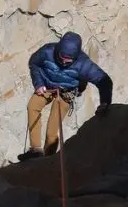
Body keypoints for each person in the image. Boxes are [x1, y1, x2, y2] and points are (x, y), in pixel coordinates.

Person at [21, 31, 112, 159]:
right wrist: (39, 83)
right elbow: (34, 62)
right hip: (46, 87)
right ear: (58, 49)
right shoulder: (48, 51)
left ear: (75, 56)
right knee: (33, 106)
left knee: (52, 130)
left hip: (65, 93)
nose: (63, 61)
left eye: (68, 59)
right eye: (61, 56)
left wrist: (105, 102)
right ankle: (35, 150)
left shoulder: (83, 64)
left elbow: (104, 81)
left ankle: (48, 159)